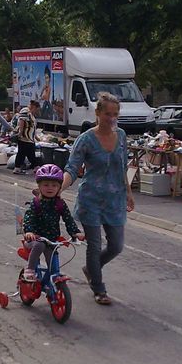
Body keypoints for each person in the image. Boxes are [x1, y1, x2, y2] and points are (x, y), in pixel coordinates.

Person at [61, 91, 134, 306]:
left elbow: (122, 166)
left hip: (115, 200)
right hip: (91, 200)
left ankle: (91, 269)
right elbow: (72, 169)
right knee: (94, 246)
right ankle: (98, 288)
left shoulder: (121, 136)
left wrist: (128, 192)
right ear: (98, 113)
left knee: (116, 246)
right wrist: (59, 189)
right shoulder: (86, 140)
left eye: (115, 114)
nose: (111, 118)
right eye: (107, 114)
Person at [22, 164, 84, 282]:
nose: (50, 188)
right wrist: (29, 231)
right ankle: (29, 270)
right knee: (39, 244)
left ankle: (52, 282)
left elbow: (68, 219)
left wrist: (75, 232)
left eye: (54, 185)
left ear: (59, 187)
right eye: (46, 185)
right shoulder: (36, 203)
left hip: (51, 239)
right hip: (34, 238)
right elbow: (29, 217)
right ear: (39, 186)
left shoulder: (60, 203)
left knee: (53, 261)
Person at [13, 100, 40, 174]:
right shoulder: (25, 111)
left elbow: (32, 126)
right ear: (34, 107)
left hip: (29, 138)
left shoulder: (31, 114)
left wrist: (35, 136)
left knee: (30, 153)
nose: (37, 111)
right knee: (22, 153)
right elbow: (22, 121)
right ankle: (17, 168)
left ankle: (35, 166)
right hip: (24, 137)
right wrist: (21, 132)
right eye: (37, 109)